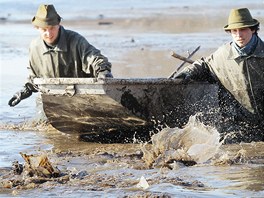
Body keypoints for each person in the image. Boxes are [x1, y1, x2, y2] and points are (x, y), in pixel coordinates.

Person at [174, 8, 264, 143]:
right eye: (234, 31)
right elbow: (204, 64)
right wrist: (186, 73)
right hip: (238, 125)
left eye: (243, 29)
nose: (239, 34)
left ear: (252, 29)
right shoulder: (222, 54)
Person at [8, 4, 113, 107]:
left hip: (79, 98)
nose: (49, 34)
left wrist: (103, 72)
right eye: (44, 29)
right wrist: (24, 91)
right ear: (37, 28)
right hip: (50, 103)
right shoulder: (34, 47)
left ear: (59, 24)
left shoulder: (75, 40)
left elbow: (95, 58)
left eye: (52, 28)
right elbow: (34, 78)